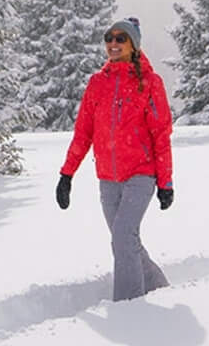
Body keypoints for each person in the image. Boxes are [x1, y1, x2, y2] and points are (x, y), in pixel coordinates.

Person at [55, 16, 174, 301]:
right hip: (108, 178)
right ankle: (160, 288)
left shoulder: (149, 83)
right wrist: (66, 175)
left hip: (140, 175)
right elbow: (83, 133)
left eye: (121, 38)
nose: (113, 43)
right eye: (109, 38)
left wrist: (166, 182)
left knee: (123, 236)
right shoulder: (98, 83)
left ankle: (128, 306)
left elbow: (161, 135)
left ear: (134, 45)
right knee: (126, 240)